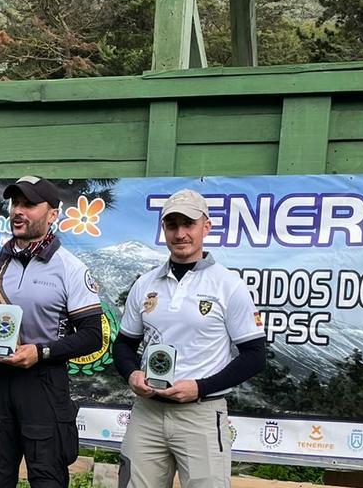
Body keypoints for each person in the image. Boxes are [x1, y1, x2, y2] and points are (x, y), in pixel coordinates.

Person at [112, 189, 266, 488]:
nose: (180, 233)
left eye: (189, 224)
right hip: (147, 413)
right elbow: (124, 344)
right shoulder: (145, 283)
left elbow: (254, 356)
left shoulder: (228, 284)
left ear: (206, 227)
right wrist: (132, 374)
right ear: (164, 229)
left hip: (201, 414)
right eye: (172, 225)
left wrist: (200, 387)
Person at [0, 175, 103, 488]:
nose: (18, 210)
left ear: (53, 214)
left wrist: (40, 352)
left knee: (47, 479)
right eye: (15, 203)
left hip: (43, 384)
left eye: (29, 204)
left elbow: (93, 335)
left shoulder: (70, 268)